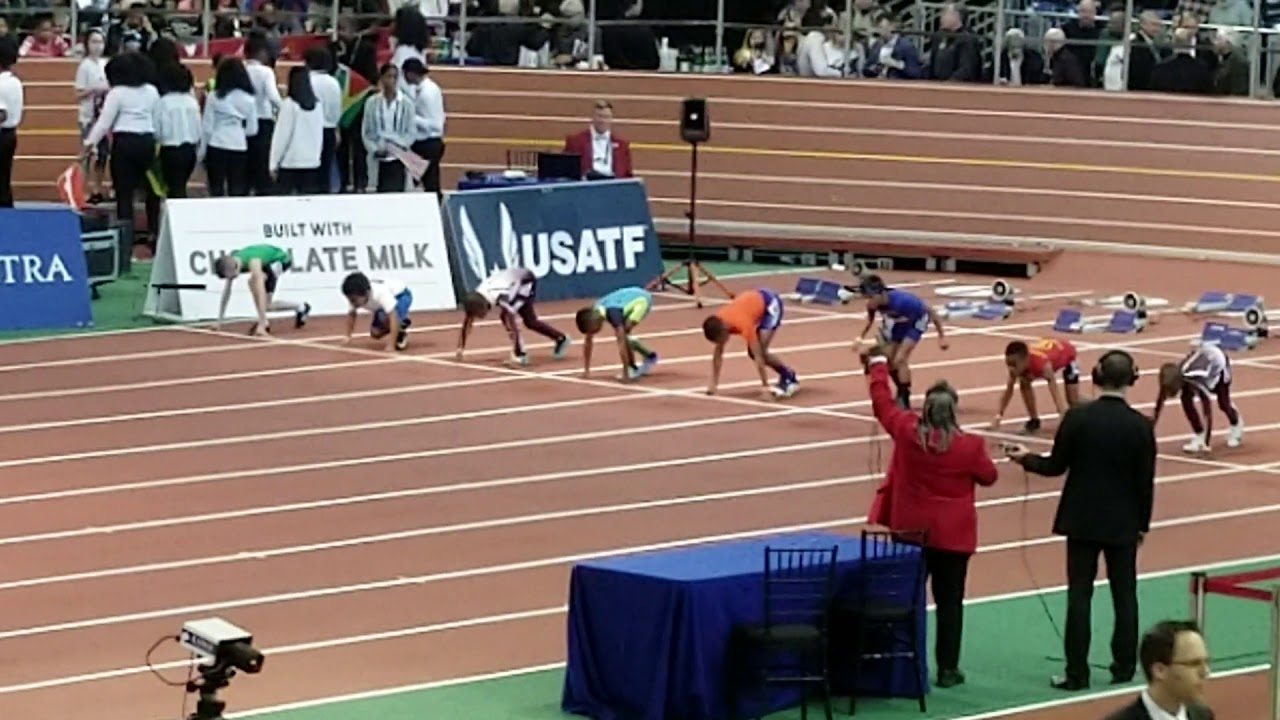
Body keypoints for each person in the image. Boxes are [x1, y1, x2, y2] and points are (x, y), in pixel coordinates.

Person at [1005, 349, 1156, 691]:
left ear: (1097, 376)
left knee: (1079, 596)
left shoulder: (1077, 418)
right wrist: (1142, 524)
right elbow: (1145, 482)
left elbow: (1055, 466)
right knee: (1125, 595)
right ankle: (1124, 666)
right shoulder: (1141, 426)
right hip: (1123, 522)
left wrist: (1026, 459)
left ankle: (1076, 673)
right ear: (1131, 380)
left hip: (1082, 519)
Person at [860, 344, 998, 688]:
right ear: (954, 411)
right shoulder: (970, 445)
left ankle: (900, 666)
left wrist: (878, 365)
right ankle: (948, 669)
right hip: (953, 536)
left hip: (910, 530)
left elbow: (882, 404)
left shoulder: (907, 431)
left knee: (906, 599)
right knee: (950, 603)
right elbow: (989, 477)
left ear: (925, 409)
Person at [82, 51, 160, 239]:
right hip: (147, 141)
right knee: (152, 191)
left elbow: (104, 123)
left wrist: (88, 144)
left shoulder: (116, 93)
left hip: (124, 143)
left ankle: (126, 235)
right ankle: (154, 232)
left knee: (124, 192)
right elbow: (157, 119)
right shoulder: (152, 91)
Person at [855, 275, 949, 408]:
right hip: (899, 322)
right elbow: (869, 321)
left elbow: (930, 311)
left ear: (880, 293)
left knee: (900, 359)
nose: (869, 301)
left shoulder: (904, 301)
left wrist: (942, 336)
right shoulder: (873, 305)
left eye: (870, 297)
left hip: (916, 321)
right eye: (866, 298)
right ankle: (901, 387)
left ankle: (904, 397)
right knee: (889, 360)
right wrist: (860, 338)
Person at [1100, 619, 1215, 720]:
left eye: (1206, 662)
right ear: (1159, 670)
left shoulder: (1202, 716)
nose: (1205, 672)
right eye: (1194, 664)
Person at [456, 267, 571, 366]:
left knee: (506, 317)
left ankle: (520, 355)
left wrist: (517, 348)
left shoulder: (499, 296)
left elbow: (511, 319)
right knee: (530, 321)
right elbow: (468, 322)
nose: (476, 317)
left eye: (477, 314)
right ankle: (561, 339)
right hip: (514, 282)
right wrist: (460, 348)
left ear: (481, 307)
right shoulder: (477, 297)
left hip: (525, 282)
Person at [701, 288, 797, 399]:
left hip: (770, 304)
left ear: (724, 330)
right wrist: (713, 384)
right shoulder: (719, 321)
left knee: (758, 351)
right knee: (754, 351)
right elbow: (718, 355)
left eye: (721, 340)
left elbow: (758, 356)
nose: (721, 343)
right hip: (753, 300)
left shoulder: (742, 324)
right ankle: (786, 375)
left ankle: (788, 376)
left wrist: (765, 388)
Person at [1152, 342, 1243, 454]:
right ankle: (1198, 433)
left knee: (1223, 403)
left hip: (1219, 364)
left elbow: (1207, 411)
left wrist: (1206, 442)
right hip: (1204, 358)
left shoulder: (1197, 380)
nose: (1168, 394)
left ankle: (1236, 424)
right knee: (1185, 400)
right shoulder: (1169, 378)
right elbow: (1159, 405)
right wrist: (1149, 430)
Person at [213, 244, 311, 335]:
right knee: (262, 297)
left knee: (256, 287)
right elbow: (227, 293)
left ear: (234, 268)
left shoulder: (253, 263)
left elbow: (261, 291)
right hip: (265, 263)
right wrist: (219, 321)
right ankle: (301, 307)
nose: (232, 279)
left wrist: (261, 324)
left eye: (232, 276)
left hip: (280, 260)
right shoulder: (232, 260)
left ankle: (264, 322)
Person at [994, 338, 1081, 434]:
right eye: (1008, 364)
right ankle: (1034, 421)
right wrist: (999, 414)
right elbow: (1008, 390)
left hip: (1069, 356)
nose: (1011, 369)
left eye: (1014, 365)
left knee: (1073, 401)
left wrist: (1062, 414)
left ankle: (1091, 405)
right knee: (1024, 382)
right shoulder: (1018, 366)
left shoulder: (1043, 365)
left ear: (1026, 359)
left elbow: (1054, 390)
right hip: (1050, 351)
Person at [199, 57, 257, 197]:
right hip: (239, 145)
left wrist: (201, 152)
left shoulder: (213, 96)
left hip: (217, 144)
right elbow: (252, 130)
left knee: (216, 188)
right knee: (236, 189)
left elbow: (207, 127)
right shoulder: (249, 99)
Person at [575, 286, 659, 381]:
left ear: (594, 323)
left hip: (641, 300)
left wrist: (625, 374)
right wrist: (586, 371)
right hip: (627, 296)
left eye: (592, 331)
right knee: (624, 333)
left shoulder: (613, 314)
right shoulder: (593, 310)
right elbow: (588, 342)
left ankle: (631, 368)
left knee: (624, 333)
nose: (592, 333)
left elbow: (621, 343)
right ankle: (649, 355)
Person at [360, 63, 414, 193]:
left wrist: (399, 147)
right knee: (377, 190)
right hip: (378, 155)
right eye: (389, 76)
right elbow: (366, 131)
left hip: (399, 157)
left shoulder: (407, 103)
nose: (392, 80)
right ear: (382, 78)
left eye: (395, 77)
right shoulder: (372, 102)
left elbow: (411, 132)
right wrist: (374, 149)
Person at [269, 66, 324, 194]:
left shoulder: (289, 104)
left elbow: (282, 136)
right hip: (312, 162)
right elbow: (319, 135)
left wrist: (273, 163)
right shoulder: (318, 105)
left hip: (290, 163)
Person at [151, 62, 201, 202]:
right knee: (181, 185)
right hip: (189, 149)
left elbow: (159, 130)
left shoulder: (163, 102)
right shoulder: (192, 101)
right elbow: (198, 128)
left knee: (172, 187)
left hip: (170, 149)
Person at [74, 29, 109, 205]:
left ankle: (97, 188)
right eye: (94, 42)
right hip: (88, 115)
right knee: (87, 154)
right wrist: (94, 89)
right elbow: (78, 94)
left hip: (104, 115)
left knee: (102, 154)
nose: (98, 46)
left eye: (100, 42)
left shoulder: (105, 64)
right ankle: (83, 189)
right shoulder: (85, 66)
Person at [341, 271, 413, 352]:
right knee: (375, 333)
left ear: (366, 293)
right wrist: (348, 336)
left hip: (401, 295)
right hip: (381, 306)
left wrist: (391, 345)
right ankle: (400, 328)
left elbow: (392, 315)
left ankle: (400, 323)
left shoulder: (380, 293)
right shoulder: (355, 297)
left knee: (387, 319)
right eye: (349, 299)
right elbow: (351, 315)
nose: (351, 303)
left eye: (353, 300)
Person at [0, 35, 22, 209]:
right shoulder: (15, 81)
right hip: (10, 134)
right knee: (4, 178)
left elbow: (2, 114)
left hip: (1, 133)